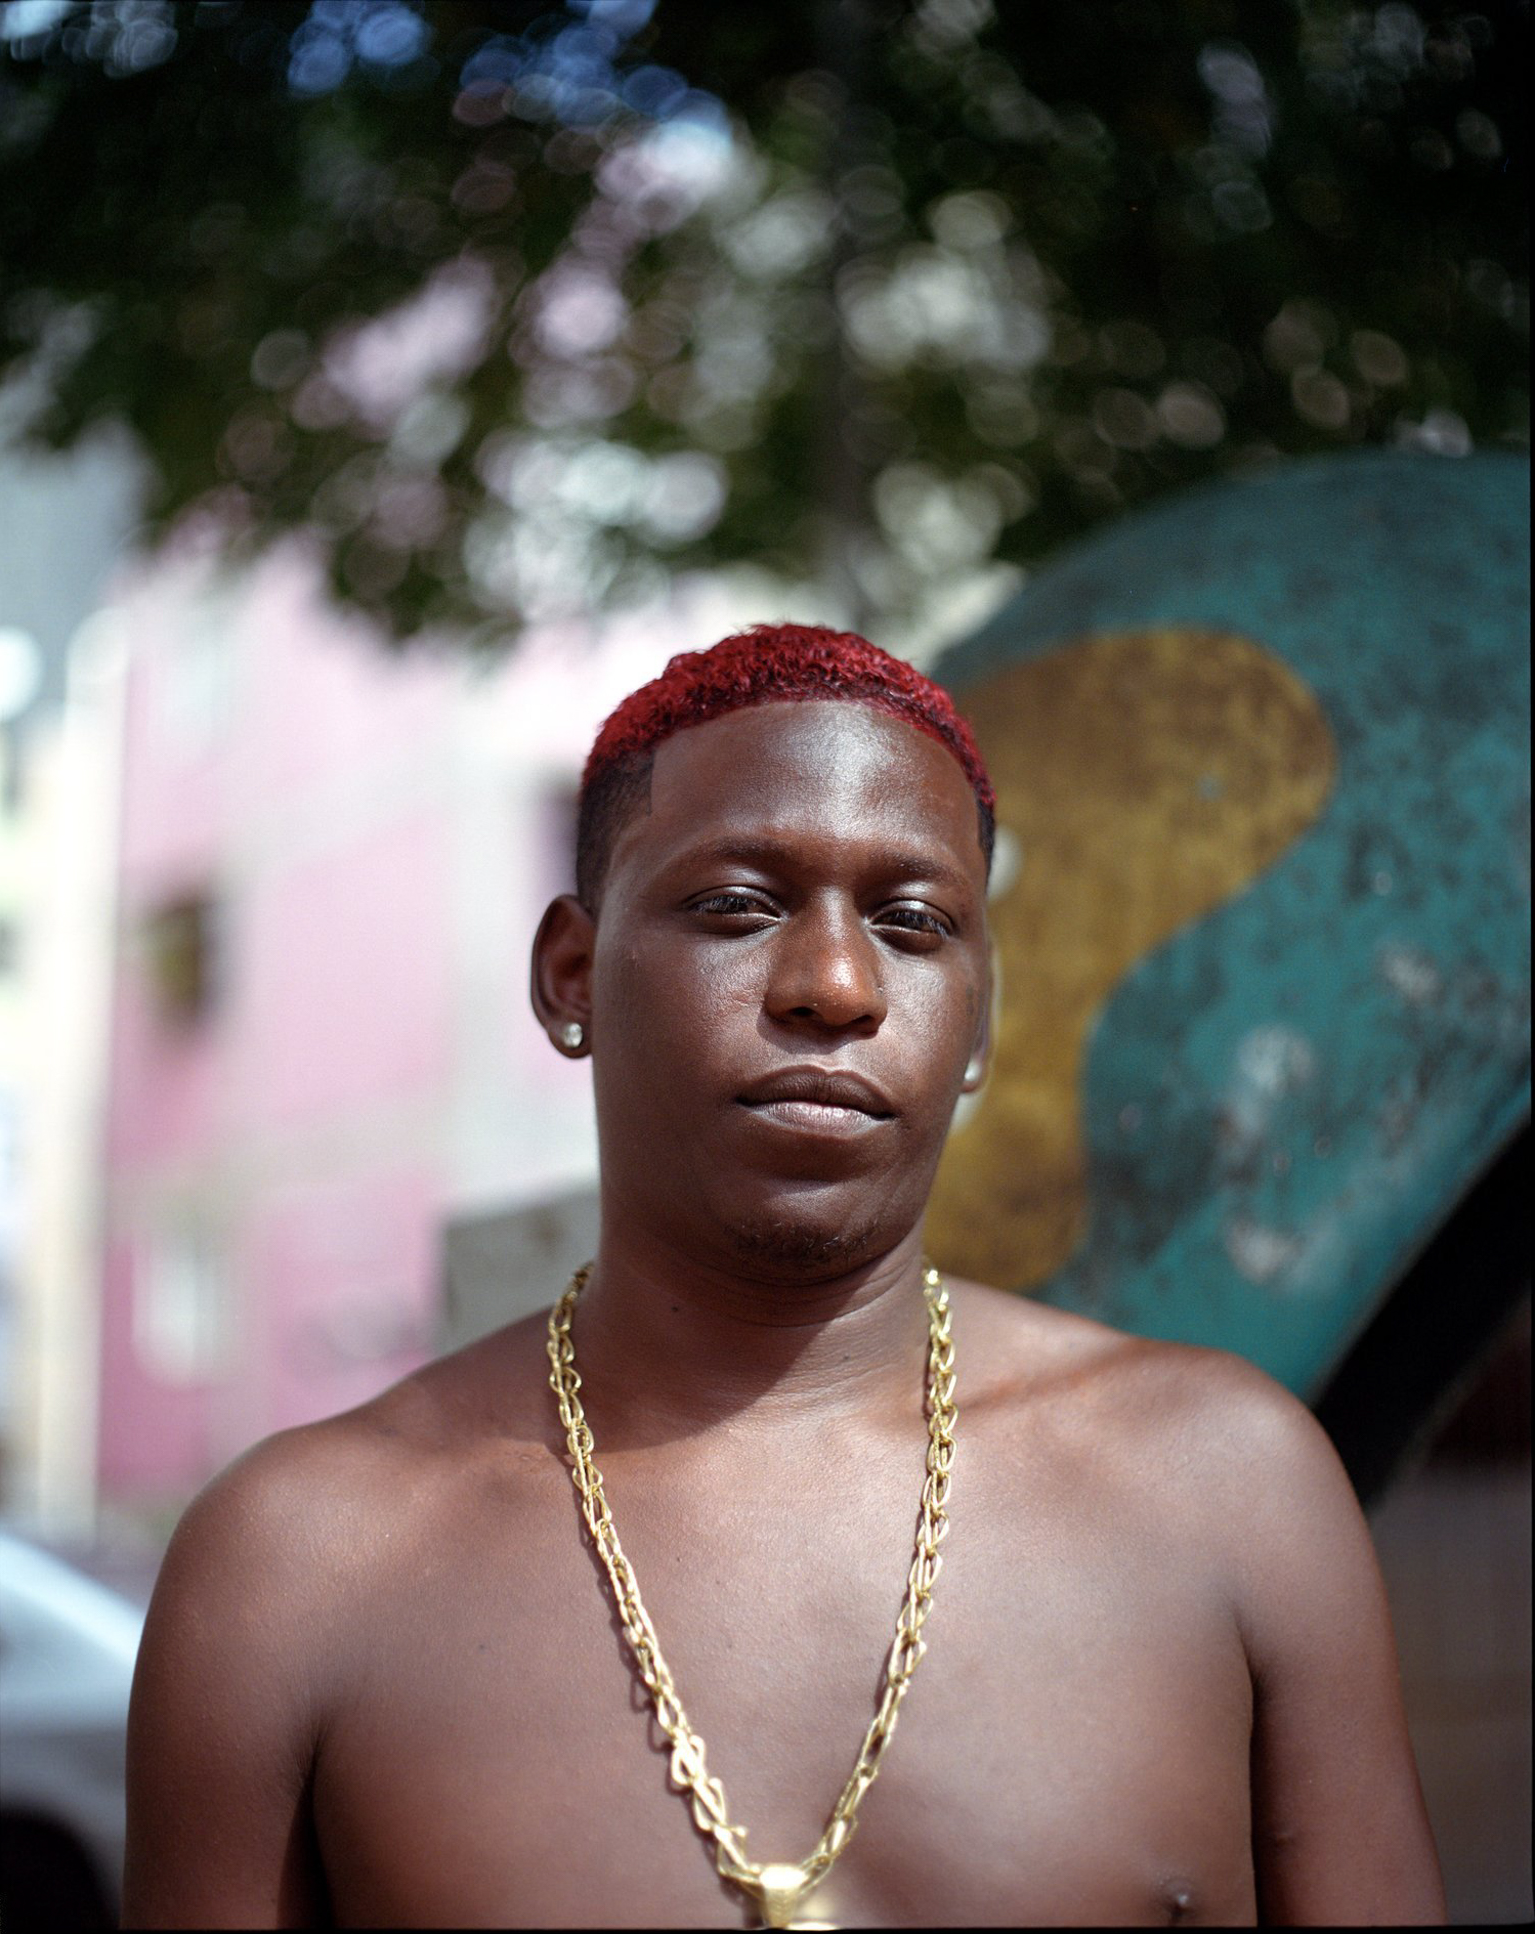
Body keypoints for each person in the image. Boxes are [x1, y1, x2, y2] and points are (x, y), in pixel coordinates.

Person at [123, 624, 1445, 1928]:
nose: (831, 983)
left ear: (980, 1018)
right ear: (571, 973)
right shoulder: (297, 1569)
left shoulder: (1230, 1488)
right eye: (740, 907)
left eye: (914, 923)